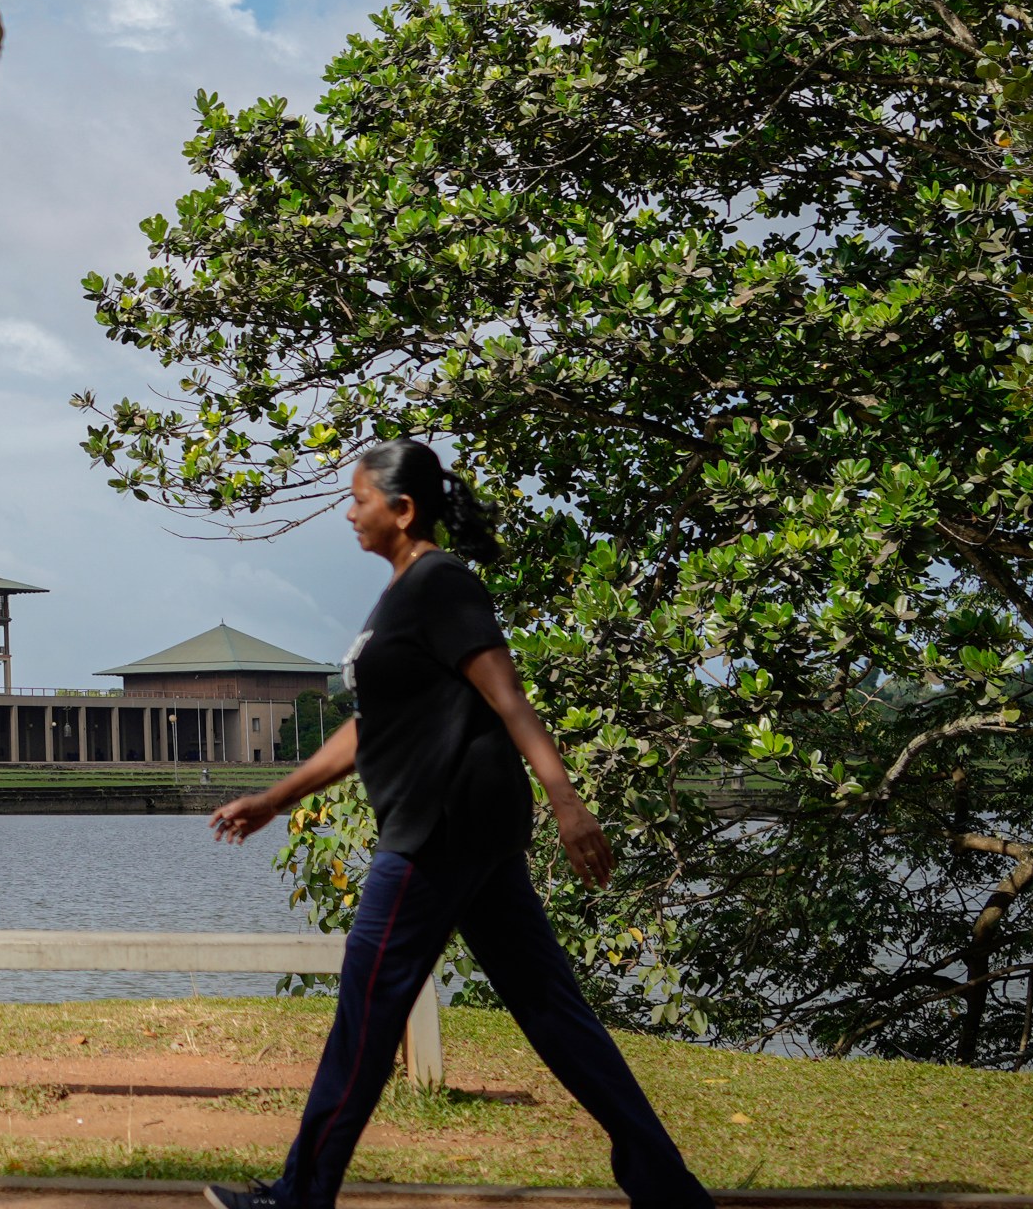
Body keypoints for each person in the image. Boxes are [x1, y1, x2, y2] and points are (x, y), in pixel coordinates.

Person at [203, 439, 712, 1209]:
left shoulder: (442, 586)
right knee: (551, 1008)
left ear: (401, 510)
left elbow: (509, 699)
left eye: (358, 499)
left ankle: (297, 1200)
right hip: (471, 837)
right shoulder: (405, 594)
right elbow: (371, 728)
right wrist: (277, 798)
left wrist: (567, 802)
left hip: (435, 837)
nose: (349, 512)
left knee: (364, 1015)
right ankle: (669, 1191)